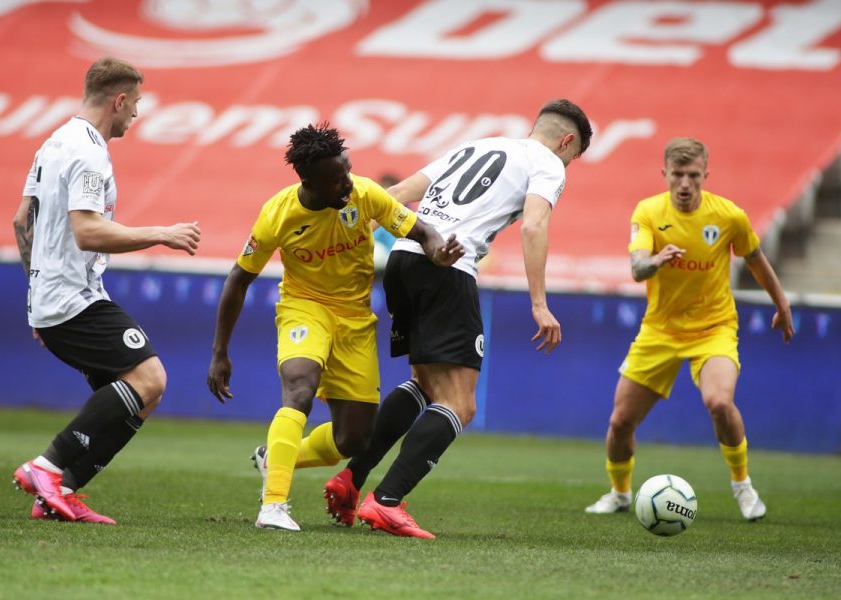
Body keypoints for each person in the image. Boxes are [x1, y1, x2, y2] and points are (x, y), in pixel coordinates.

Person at [324, 99, 593, 538]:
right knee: (460, 403)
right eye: (573, 156)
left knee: (425, 383)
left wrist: (345, 250)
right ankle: (387, 501)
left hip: (404, 258)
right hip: (447, 267)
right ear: (566, 141)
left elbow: (396, 194)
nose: (567, 164)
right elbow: (533, 226)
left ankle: (351, 480)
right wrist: (539, 303)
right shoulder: (548, 163)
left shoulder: (478, 145)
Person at [206, 123, 463, 532]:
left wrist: (439, 251)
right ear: (309, 182)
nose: (348, 183)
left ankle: (276, 457)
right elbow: (239, 278)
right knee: (299, 387)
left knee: (354, 439)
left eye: (347, 171)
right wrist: (220, 352)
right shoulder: (277, 214)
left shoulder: (364, 194)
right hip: (304, 308)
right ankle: (273, 505)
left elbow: (421, 231)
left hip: (355, 319)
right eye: (337, 179)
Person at [11, 57, 202, 524]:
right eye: (135, 103)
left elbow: (21, 222)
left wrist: (37, 296)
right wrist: (162, 233)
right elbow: (88, 232)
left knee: (143, 395)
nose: (136, 112)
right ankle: (46, 467)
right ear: (119, 100)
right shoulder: (88, 151)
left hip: (56, 298)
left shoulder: (54, 142)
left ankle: (60, 492)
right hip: (71, 297)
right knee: (151, 378)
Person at [584, 137, 794, 520]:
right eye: (677, 174)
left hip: (713, 328)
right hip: (660, 331)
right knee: (620, 421)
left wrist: (782, 304)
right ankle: (619, 493)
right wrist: (656, 260)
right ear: (664, 173)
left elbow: (755, 259)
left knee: (719, 403)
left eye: (693, 175)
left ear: (705, 175)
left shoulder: (729, 216)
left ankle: (743, 487)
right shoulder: (649, 212)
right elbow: (637, 269)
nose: (684, 184)